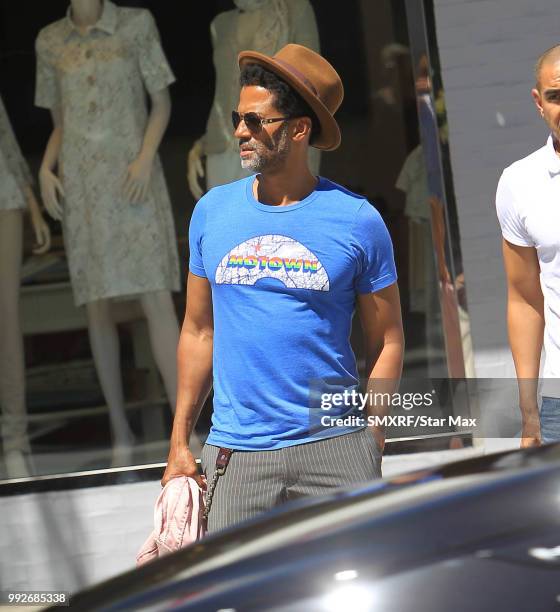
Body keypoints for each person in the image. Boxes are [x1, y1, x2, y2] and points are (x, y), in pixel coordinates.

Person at [163, 44, 404, 532]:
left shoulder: (357, 220)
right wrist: (178, 442)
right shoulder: (212, 212)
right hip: (237, 455)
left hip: (337, 450)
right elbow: (198, 331)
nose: (239, 132)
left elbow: (388, 338)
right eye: (238, 117)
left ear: (299, 129)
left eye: (256, 121)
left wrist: (371, 436)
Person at [496, 45, 560, 447]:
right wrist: (528, 409)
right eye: (556, 96)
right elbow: (524, 300)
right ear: (539, 103)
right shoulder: (519, 182)